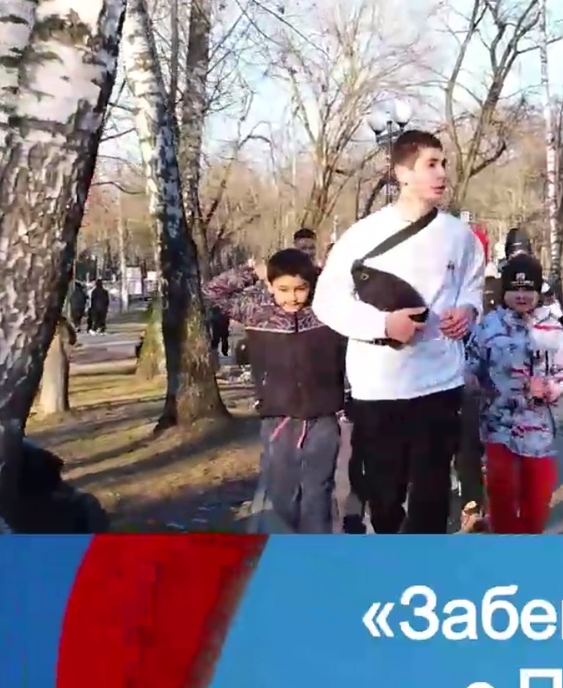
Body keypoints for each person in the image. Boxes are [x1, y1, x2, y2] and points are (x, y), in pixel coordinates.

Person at [313, 129, 485, 534]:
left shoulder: (459, 235)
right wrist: (383, 325)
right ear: (402, 173)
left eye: (443, 164)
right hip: (381, 388)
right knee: (385, 497)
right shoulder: (363, 235)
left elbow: (472, 284)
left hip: (440, 382)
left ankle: (423, 567)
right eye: (431, 164)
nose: (441, 173)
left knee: (433, 496)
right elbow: (327, 301)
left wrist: (468, 309)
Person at [204, 249, 348, 533]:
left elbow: (353, 287)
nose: (292, 297)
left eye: (300, 288)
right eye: (283, 289)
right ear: (270, 286)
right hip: (278, 418)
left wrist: (318, 272)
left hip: (323, 418)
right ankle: (288, 546)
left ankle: (317, 552)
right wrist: (253, 272)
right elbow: (212, 292)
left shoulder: (326, 310)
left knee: (318, 491)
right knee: (282, 494)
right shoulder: (257, 313)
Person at [465, 254, 563, 534]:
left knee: (537, 507)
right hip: (497, 431)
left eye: (528, 289)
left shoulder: (554, 330)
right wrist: (469, 382)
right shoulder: (488, 327)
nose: (521, 296)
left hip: (539, 435)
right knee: (502, 504)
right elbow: (468, 367)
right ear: (504, 290)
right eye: (515, 289)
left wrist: (553, 387)